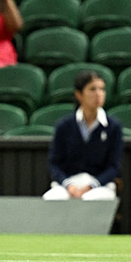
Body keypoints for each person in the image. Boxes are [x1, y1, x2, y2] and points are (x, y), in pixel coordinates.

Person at [42, 70, 124, 201]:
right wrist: (68, 185)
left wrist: (92, 185)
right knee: (52, 198)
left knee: (91, 199)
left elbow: (114, 167)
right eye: (92, 89)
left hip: (100, 185)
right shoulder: (64, 126)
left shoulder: (113, 126)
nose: (98, 94)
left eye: (102, 89)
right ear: (79, 95)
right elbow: (54, 164)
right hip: (68, 184)